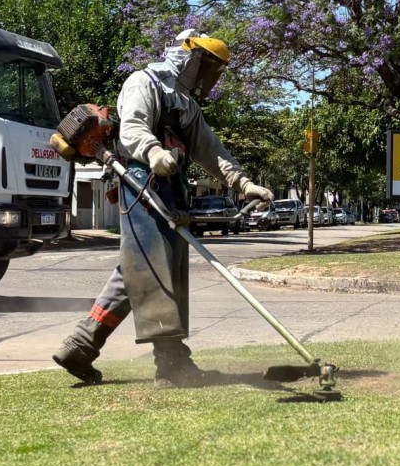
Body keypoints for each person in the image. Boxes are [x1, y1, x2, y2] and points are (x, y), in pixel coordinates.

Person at [53, 29, 274, 386]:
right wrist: (154, 152)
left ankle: (81, 346)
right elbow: (133, 129)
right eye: (209, 68)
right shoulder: (144, 82)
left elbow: (209, 149)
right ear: (190, 59)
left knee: (142, 270)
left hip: (171, 187)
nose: (210, 78)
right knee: (153, 269)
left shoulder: (187, 104)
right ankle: (170, 364)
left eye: (215, 72)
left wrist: (243, 183)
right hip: (141, 181)